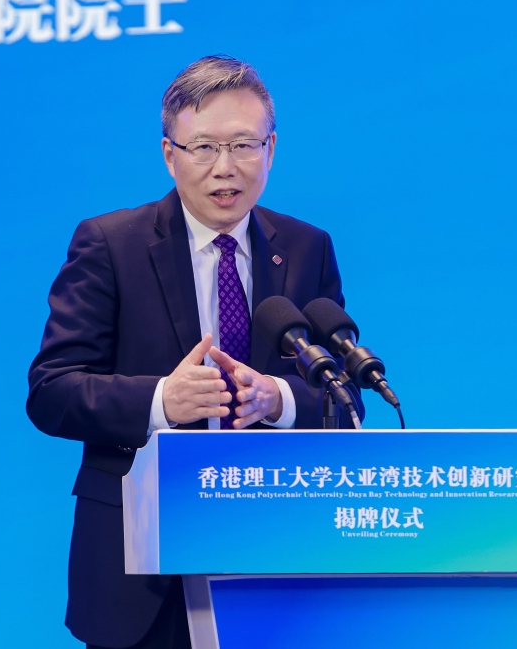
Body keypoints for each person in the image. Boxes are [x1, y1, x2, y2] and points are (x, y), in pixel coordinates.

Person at [26, 56, 364, 649]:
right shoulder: (111, 245)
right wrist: (162, 400)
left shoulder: (306, 247)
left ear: (271, 149)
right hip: (144, 567)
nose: (225, 168)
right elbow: (52, 391)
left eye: (243, 145)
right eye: (204, 147)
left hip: (277, 552)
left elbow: (344, 397)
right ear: (169, 154)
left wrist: (277, 398)